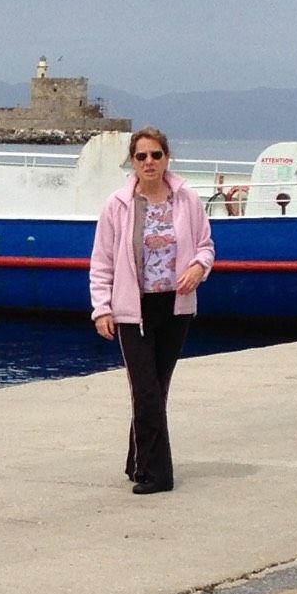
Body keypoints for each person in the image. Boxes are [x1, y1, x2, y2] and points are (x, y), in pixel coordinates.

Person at [88, 127, 214, 494]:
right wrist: (102, 309)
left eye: (155, 155)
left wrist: (197, 268)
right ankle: (156, 474)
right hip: (132, 309)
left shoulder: (186, 199)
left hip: (174, 308)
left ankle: (136, 460)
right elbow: (102, 261)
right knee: (145, 391)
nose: (149, 162)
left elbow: (206, 246)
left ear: (166, 158)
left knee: (157, 389)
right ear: (133, 161)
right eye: (141, 156)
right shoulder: (118, 205)